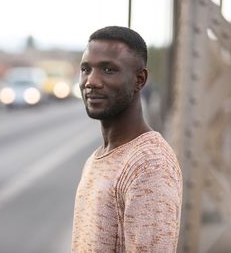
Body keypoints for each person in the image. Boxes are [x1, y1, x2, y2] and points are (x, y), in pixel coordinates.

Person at [71, 26, 182, 252]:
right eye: (86, 69)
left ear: (139, 79)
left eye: (108, 70)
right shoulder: (98, 157)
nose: (91, 81)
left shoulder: (149, 165)